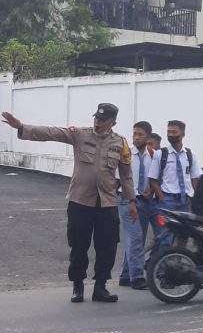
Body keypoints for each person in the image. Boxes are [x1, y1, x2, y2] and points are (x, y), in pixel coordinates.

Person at [2, 105, 136, 303]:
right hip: (80, 200)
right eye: (96, 118)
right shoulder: (80, 135)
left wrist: (131, 200)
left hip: (107, 202)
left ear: (113, 122)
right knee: (79, 245)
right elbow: (52, 133)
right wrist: (21, 127)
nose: (97, 122)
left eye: (103, 120)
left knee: (107, 247)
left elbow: (126, 175)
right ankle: (78, 286)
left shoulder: (121, 143)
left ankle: (101, 287)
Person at [116, 121, 156, 290]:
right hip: (127, 200)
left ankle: (126, 275)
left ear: (148, 137)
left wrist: (151, 191)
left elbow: (155, 178)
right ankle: (137, 277)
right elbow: (118, 180)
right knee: (136, 238)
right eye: (134, 134)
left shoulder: (153, 156)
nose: (136, 138)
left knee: (136, 238)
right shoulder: (126, 155)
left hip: (145, 201)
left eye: (140, 135)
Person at [148, 120, 200, 214]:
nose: (171, 135)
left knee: (183, 228)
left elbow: (194, 179)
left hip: (185, 201)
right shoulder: (160, 154)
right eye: (169, 132)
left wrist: (199, 198)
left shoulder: (190, 155)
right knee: (165, 228)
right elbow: (152, 179)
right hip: (167, 200)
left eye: (174, 132)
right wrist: (162, 198)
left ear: (183, 134)